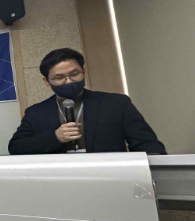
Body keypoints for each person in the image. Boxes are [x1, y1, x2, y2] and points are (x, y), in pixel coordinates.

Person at [9, 48, 166, 155]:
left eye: (74, 74)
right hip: (58, 182)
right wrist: (55, 137)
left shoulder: (116, 103)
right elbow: (16, 147)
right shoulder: (36, 112)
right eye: (59, 77)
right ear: (46, 81)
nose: (69, 81)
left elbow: (147, 143)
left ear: (83, 72)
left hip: (111, 179)